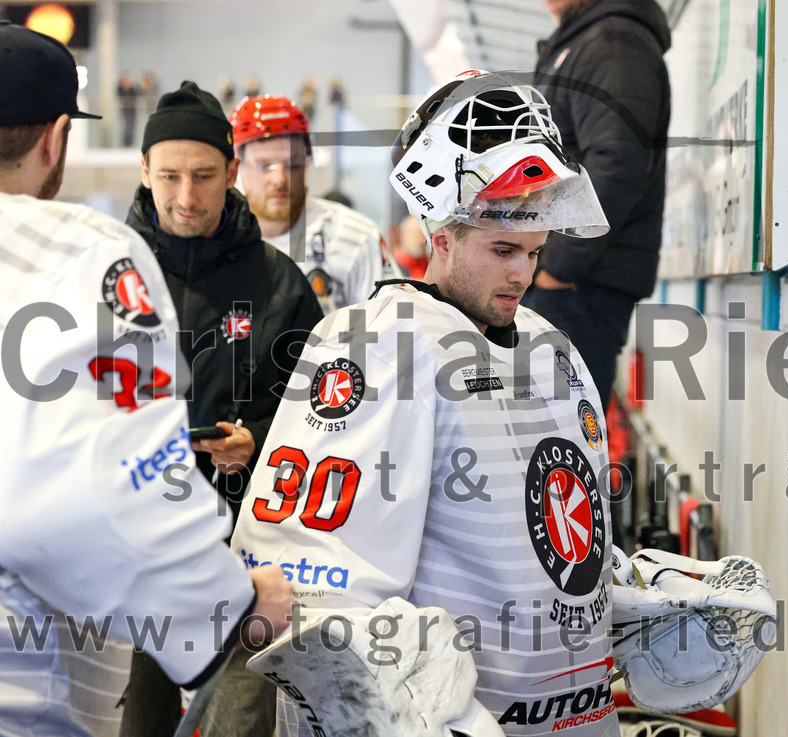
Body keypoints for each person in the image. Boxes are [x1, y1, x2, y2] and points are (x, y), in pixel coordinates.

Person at [232, 70, 621, 736]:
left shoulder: (554, 350)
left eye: (535, 250)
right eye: (502, 249)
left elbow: (561, 550)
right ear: (439, 235)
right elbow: (308, 594)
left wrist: (634, 602)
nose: (523, 274)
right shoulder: (378, 347)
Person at [0, 21, 293, 737]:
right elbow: (111, 481)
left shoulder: (277, 279)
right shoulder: (85, 254)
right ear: (55, 139)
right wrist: (225, 606)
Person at [120, 80, 323, 737]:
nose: (185, 197)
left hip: (249, 541)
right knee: (143, 703)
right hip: (140, 537)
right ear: (144, 170)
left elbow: (326, 415)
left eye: (204, 176)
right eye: (169, 176)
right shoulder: (107, 275)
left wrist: (257, 439)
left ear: (232, 172)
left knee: (238, 712)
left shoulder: (278, 283)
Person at [524, 0, 672, 409]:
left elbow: (617, 164)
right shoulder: (581, 40)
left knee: (557, 434)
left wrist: (557, 268)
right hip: (566, 282)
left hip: (579, 285)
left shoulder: (613, 43)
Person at [230, 94, 395, 314]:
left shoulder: (355, 238)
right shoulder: (216, 239)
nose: (279, 179)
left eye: (293, 164)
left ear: (308, 164)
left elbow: (394, 327)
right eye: (264, 165)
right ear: (237, 169)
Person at [116, 71, 138, 147]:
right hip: (125, 111)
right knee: (125, 127)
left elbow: (137, 95)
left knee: (131, 127)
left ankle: (130, 143)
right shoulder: (120, 89)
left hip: (132, 111)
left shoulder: (133, 90)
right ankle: (125, 143)